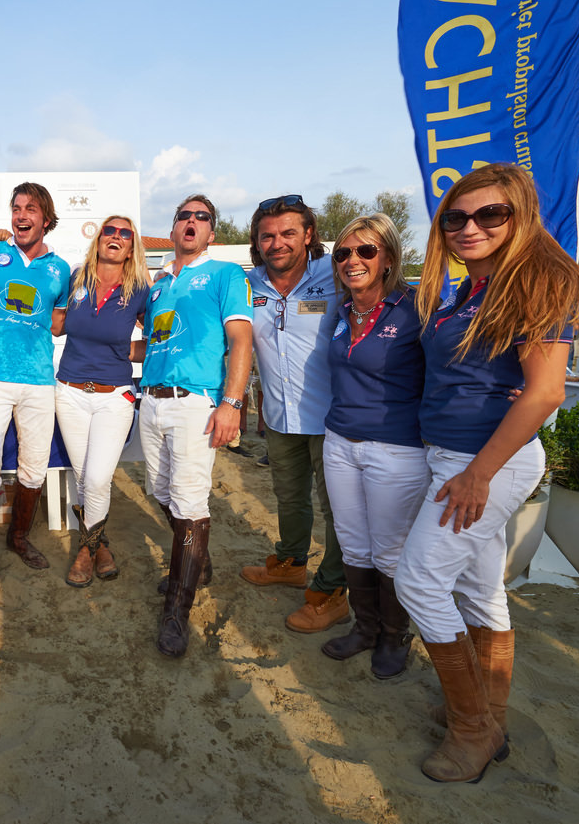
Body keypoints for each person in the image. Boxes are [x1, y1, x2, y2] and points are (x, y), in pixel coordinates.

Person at [395, 164, 579, 783]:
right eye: (455, 217)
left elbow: (545, 393)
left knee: (420, 582)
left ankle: (473, 728)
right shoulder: (468, 290)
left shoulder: (534, 282)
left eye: (490, 214)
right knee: (479, 590)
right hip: (454, 456)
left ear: (520, 217)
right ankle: (490, 715)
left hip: (486, 463)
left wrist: (479, 473)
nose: (469, 227)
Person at [140, 196, 253, 657]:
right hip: (151, 400)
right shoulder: (157, 284)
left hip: (196, 404)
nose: (191, 222)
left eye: (201, 218)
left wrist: (232, 402)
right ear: (172, 230)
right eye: (183, 216)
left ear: (212, 234)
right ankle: (198, 562)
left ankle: (176, 612)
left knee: (189, 500)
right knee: (160, 492)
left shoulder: (225, 274)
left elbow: (241, 339)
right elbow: (153, 343)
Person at [319, 215, 428, 680]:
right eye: (342, 253)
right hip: (340, 441)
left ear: (388, 257)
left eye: (365, 251)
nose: (352, 261)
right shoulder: (342, 311)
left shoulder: (416, 308)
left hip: (397, 449)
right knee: (353, 545)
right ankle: (365, 629)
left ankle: (393, 635)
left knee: (389, 552)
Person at [240, 194, 348, 634]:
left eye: (288, 233)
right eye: (268, 235)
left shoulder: (336, 273)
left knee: (338, 510)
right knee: (289, 497)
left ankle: (332, 590)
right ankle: (290, 562)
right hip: (280, 417)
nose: (277, 242)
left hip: (334, 418)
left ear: (308, 235)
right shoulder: (248, 284)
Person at [0, 182, 70, 615]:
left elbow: (59, 323)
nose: (22, 215)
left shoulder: (61, 268)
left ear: (46, 218)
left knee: (34, 467)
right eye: (17, 208)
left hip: (40, 379)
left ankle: (19, 537)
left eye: (32, 209)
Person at [54, 216, 150, 587]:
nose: (116, 236)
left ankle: (85, 550)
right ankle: (101, 544)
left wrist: (126, 351)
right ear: (98, 240)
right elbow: (55, 324)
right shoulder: (76, 279)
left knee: (96, 478)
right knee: (85, 479)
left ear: (131, 247)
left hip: (114, 398)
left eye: (125, 233)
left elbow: (158, 338)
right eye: (109, 230)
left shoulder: (141, 288)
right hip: (70, 394)